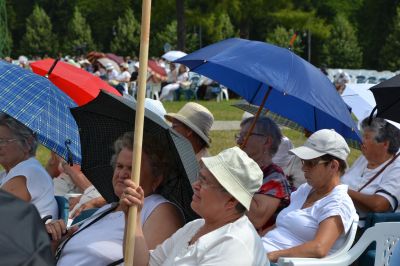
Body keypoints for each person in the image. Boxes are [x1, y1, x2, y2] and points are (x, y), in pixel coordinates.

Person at [46, 132, 184, 265]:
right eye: (119, 166)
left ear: (156, 179)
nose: (122, 174)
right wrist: (56, 242)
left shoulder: (161, 210)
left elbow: (149, 263)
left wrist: (133, 217)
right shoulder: (107, 209)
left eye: (132, 168)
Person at [121, 147, 269, 265]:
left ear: (231, 201)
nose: (195, 185)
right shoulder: (195, 227)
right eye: (200, 177)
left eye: (204, 182)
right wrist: (133, 216)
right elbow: (142, 263)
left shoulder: (233, 247)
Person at [262, 129, 357, 263]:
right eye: (303, 161)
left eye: (310, 163)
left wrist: (271, 255)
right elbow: (282, 226)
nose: (303, 168)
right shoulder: (306, 189)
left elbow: (319, 248)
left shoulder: (338, 203)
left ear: (333, 166)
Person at [341, 117, 400, 227]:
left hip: (363, 230)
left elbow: (379, 205)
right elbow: (343, 179)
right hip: (341, 216)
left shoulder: (397, 167)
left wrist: (340, 189)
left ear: (385, 144)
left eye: (367, 137)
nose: (362, 140)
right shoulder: (367, 156)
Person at [236, 116, 291, 232]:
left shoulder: (275, 178)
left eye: (246, 135)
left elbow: (256, 219)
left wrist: (230, 179)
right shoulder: (243, 169)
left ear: (267, 141)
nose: (239, 141)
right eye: (239, 135)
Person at [0, 113, 57, 219]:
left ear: (28, 143)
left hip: (28, 234)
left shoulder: (28, 172)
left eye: (2, 141)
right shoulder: (8, 174)